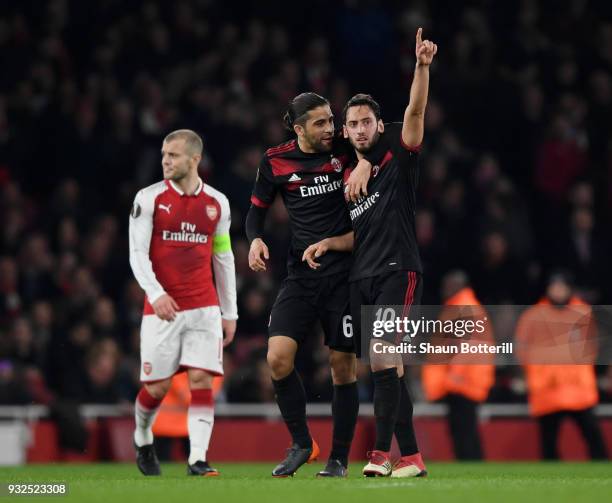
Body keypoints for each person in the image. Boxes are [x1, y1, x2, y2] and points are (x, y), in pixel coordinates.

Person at [303, 28, 437, 477]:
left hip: (399, 269)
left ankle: (379, 454)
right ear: (347, 130)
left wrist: (421, 67)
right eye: (353, 124)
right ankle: (413, 457)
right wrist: (329, 242)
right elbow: (359, 234)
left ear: (380, 125)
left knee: (382, 354)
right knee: (389, 368)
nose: (360, 129)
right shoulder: (348, 174)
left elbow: (416, 109)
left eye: (367, 123)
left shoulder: (399, 152)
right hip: (363, 274)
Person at [245, 92, 378, 478]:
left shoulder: (344, 149)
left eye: (331, 121)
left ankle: (338, 458)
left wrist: (366, 163)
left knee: (342, 367)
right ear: (298, 128)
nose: (330, 129)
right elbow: (256, 212)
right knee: (277, 358)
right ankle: (302, 443)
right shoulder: (275, 160)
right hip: (301, 276)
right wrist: (254, 238)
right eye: (320, 123)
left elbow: (381, 144)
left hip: (345, 275)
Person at [129, 129, 237, 476]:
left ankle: (198, 459)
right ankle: (143, 436)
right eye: (163, 154)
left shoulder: (217, 203)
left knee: (202, 381)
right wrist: (156, 294)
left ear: (194, 159)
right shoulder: (148, 199)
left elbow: (223, 257)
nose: (165, 160)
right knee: (157, 388)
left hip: (204, 308)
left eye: (173, 155)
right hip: (162, 310)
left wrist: (229, 311)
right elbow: (137, 255)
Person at [516, 272, 608, 460]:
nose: (558, 292)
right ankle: (551, 477)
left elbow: (594, 345)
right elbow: (521, 348)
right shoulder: (533, 315)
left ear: (569, 289)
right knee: (548, 439)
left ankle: (603, 466)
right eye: (554, 287)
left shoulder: (583, 312)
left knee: (592, 433)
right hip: (547, 386)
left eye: (561, 287)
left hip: (577, 387)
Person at [421, 270, 494, 460]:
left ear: (458, 285)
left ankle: (472, 463)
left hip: (463, 381)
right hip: (464, 380)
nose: (444, 289)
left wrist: (455, 376)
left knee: (464, 429)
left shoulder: (463, 308)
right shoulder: (461, 307)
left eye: (448, 285)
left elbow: (464, 346)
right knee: (463, 428)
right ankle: (471, 463)